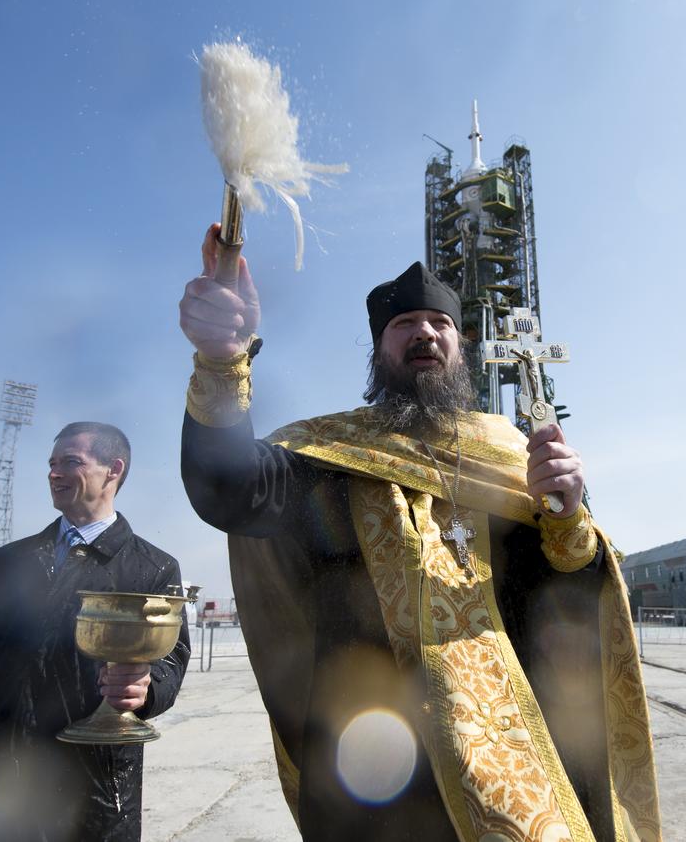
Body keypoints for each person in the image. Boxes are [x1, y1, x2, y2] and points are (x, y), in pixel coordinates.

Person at [179, 224, 661, 842]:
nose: (424, 333)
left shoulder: (512, 455)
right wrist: (222, 360)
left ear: (460, 345)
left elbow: (568, 595)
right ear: (379, 348)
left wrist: (569, 520)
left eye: (439, 323)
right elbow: (227, 487)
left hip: (517, 768)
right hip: (373, 770)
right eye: (403, 324)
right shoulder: (330, 456)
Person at [0, 422, 191, 841]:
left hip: (89, 785)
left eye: (70, 462)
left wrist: (147, 688)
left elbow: (171, 659)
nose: (54, 473)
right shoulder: (3, 565)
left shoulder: (153, 568)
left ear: (113, 470)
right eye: (51, 464)